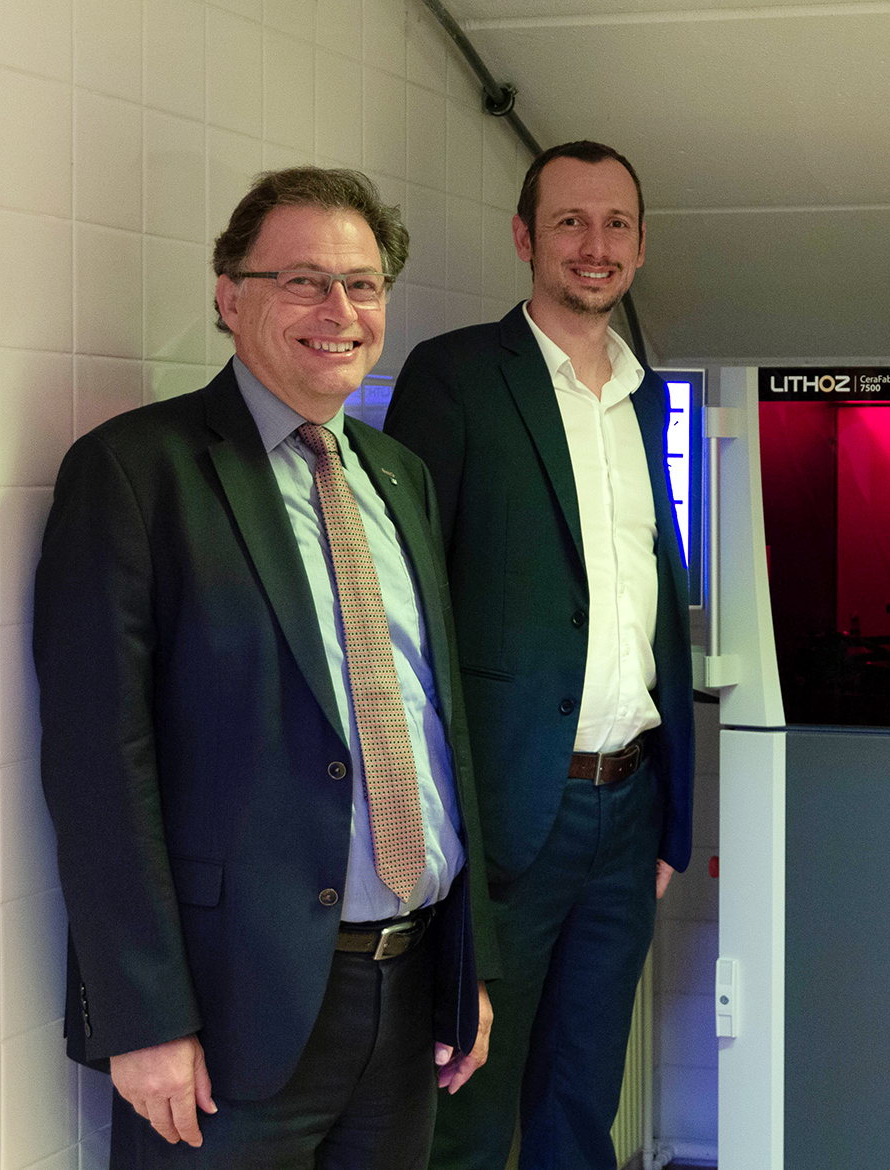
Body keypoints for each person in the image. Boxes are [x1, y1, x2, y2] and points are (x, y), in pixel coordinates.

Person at [33, 166, 497, 1167]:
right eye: (302, 281)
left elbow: (431, 728)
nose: (339, 311)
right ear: (227, 296)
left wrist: (469, 965)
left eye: (363, 285)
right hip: (230, 1013)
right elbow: (96, 764)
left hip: (409, 990)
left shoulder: (396, 475)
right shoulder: (134, 473)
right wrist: (142, 1015)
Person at [384, 140, 693, 1170]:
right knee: (469, 1104)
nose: (593, 245)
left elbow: (654, 613)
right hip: (511, 815)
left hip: (628, 809)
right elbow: (412, 606)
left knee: (580, 1101)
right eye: (568, 221)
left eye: (614, 224)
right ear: (525, 237)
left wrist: (670, 821)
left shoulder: (645, 400)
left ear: (641, 246)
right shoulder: (458, 378)